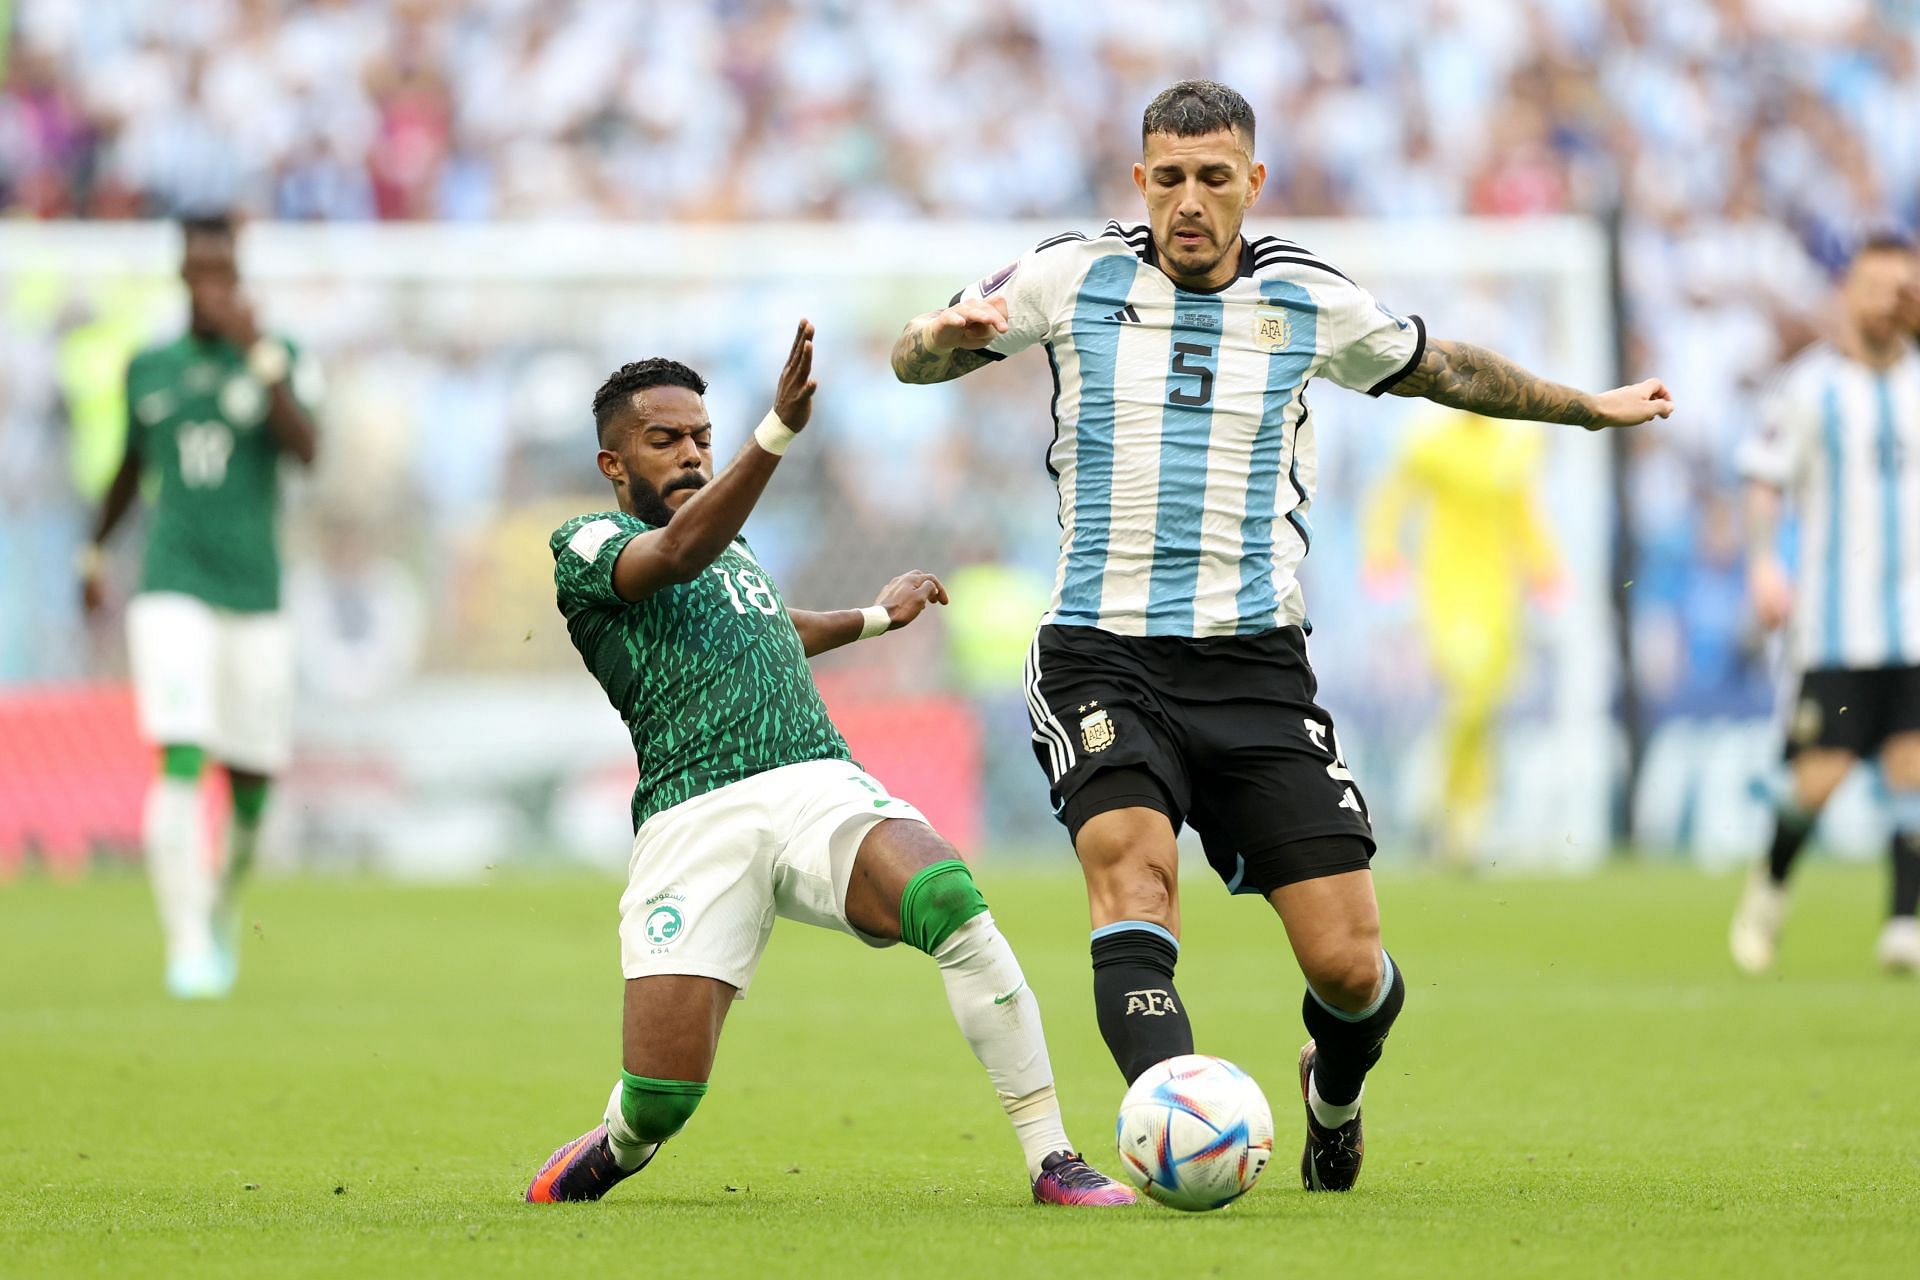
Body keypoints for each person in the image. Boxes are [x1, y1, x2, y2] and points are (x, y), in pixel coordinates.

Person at [890, 79, 1672, 1192]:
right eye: (1170, 179)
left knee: (1351, 967)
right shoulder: (1073, 275)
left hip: (1255, 665)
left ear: (1253, 182)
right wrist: (937, 341)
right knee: (1134, 876)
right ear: (1140, 183)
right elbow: (912, 361)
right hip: (1098, 651)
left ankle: (1331, 1090)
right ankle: (1182, 1122)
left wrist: (1583, 407)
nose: (1191, 201)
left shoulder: (1308, 297)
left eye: (1215, 178)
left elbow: (1443, 366)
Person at [525, 323, 1133, 1207]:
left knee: (949, 901)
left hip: (813, 779)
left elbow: (770, 621)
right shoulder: (584, 546)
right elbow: (677, 551)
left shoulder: (730, 548)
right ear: (614, 465)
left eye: (701, 435)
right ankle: (620, 1141)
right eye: (666, 441)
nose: (691, 452)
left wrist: (877, 619)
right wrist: (774, 431)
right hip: (693, 817)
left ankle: (1052, 1156)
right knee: (663, 1099)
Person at [79, 213, 320, 999]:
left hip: (254, 593)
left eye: (224, 272)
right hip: (172, 585)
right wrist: (94, 548)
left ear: (239, 275)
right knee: (181, 752)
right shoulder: (149, 367)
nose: (211, 287)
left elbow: (306, 451)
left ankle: (218, 910)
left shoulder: (278, 356)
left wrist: (259, 357)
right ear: (183, 276)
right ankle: (185, 941)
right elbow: (127, 464)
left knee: (251, 783)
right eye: (199, 272)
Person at [1729, 234, 1920, 975]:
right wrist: (1762, 566)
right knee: (1819, 780)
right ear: (1849, 293)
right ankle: (1768, 888)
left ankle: (1903, 920)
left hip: (1912, 621)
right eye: (1875, 285)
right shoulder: (1810, 388)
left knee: (1913, 769)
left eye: (1902, 287)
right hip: (1836, 626)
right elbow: (1762, 477)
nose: (1888, 300)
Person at [1362, 410, 1562, 868]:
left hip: (1500, 593)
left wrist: (1546, 568)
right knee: (1469, 696)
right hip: (1447, 589)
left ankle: (1455, 812)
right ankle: (1457, 814)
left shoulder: (1516, 444)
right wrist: (1382, 551)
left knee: (1485, 706)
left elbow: (1524, 514)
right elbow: (1392, 498)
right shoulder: (1434, 443)